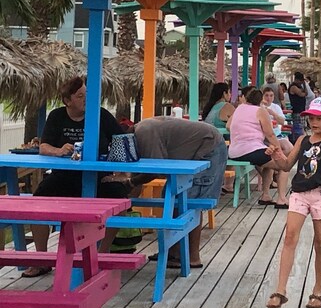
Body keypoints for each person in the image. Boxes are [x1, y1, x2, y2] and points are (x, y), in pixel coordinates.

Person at [23, 77, 128, 278]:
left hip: (99, 177)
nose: (86, 99)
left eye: (87, 94)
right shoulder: (57, 116)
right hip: (64, 176)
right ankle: (40, 259)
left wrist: (121, 173)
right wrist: (59, 150)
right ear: (67, 100)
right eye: (80, 96)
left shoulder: (101, 115)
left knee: (120, 202)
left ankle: (101, 254)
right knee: (37, 202)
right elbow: (44, 146)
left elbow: (122, 141)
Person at [264, 97, 321, 308]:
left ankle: (318, 290)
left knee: (320, 244)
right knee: (289, 237)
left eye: (319, 118)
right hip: (299, 193)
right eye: (311, 118)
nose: (314, 122)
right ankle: (280, 290)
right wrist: (277, 154)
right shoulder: (302, 140)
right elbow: (286, 166)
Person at [104, 116, 227, 268]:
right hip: (194, 151)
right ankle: (173, 252)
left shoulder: (144, 133)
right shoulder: (142, 131)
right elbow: (141, 174)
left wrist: (130, 182)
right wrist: (127, 198)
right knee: (171, 198)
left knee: (191, 203)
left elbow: (154, 170)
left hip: (209, 148)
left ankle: (192, 257)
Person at [227, 89, 284, 205]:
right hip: (251, 150)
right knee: (283, 165)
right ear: (261, 100)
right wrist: (280, 153)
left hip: (233, 152)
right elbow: (270, 134)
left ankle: (266, 196)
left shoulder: (239, 108)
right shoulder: (261, 111)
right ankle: (281, 198)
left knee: (268, 161)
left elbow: (228, 126)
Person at [261, 87, 294, 208]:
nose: (269, 98)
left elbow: (282, 121)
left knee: (289, 148)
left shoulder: (275, 107)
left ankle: (267, 193)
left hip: (276, 135)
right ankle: (280, 197)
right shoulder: (259, 108)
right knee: (283, 164)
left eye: (271, 95)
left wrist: (273, 114)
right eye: (266, 95)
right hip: (264, 138)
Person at [288, 72, 308, 142]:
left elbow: (306, 93)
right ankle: (297, 141)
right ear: (297, 80)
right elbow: (302, 94)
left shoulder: (300, 86)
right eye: (301, 81)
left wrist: (304, 85)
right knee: (298, 128)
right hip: (296, 110)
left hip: (301, 110)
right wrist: (303, 88)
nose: (302, 82)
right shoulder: (293, 87)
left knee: (301, 127)